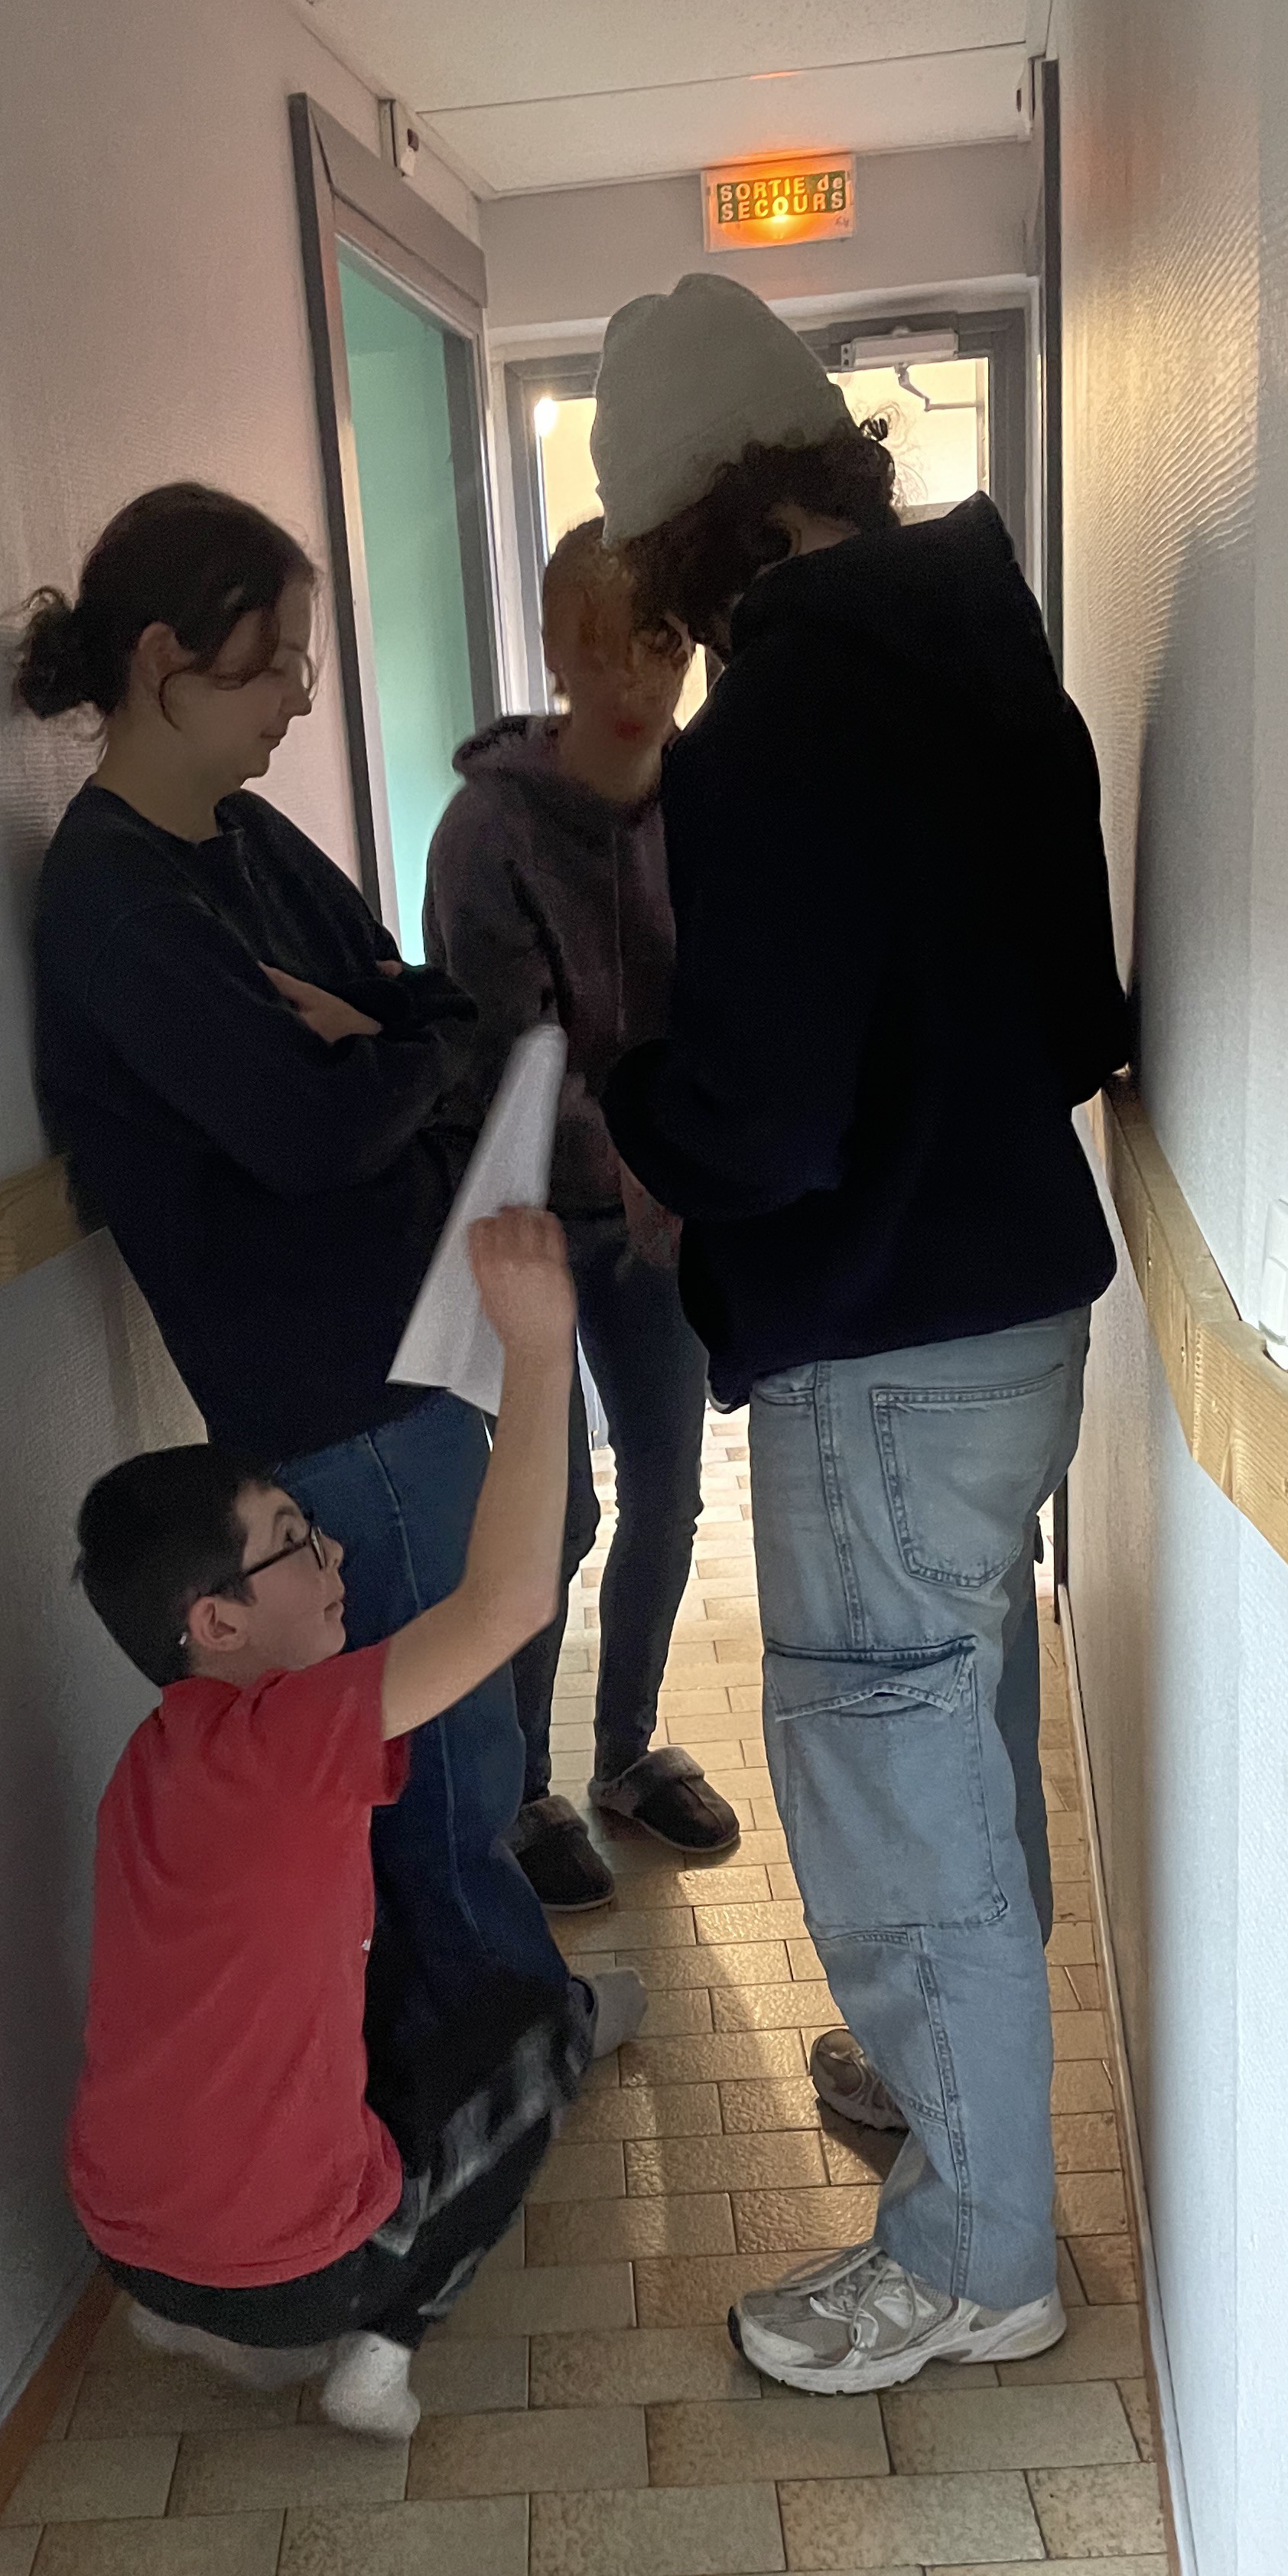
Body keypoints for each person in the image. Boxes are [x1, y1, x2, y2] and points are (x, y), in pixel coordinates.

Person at [590, 275, 1134, 2394]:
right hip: (1016, 1318)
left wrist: (639, 1095)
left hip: (881, 1353)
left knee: (897, 1813)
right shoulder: (992, 658)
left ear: (690, 540)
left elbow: (759, 1128)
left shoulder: (777, 732)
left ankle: (979, 2256)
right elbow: (1080, 1019)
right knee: (955, 1745)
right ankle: (943, 2095)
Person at [19, 484, 613, 2158]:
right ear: (163, 658)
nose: (299, 695)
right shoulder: (118, 906)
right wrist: (384, 1057)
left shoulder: (243, 840)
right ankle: (506, 2072)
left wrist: (379, 1041)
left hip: (421, 1335)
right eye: (275, 659)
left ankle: (504, 2029)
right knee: (435, 1764)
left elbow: (433, 1003)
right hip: (333, 1385)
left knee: (482, 1681)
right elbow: (306, 1130)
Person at [64, 1209, 636, 2441]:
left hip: (120, 2238)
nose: (335, 1556)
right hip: (298, 2278)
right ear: (217, 1623)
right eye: (294, 1545)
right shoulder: (291, 1736)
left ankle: (181, 2311)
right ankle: (380, 2349)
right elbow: (507, 1604)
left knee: (372, 2001)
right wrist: (540, 1353)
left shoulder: (151, 1763)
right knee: (545, 2036)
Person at [423, 520, 740, 1913]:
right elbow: (507, 1054)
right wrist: (651, 1151)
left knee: (669, 1491)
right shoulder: (487, 831)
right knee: (553, 1517)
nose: (635, 679)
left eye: (661, 645)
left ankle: (624, 1753)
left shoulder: (711, 802)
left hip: (664, 1227)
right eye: (601, 647)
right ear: (553, 649)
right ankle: (522, 1793)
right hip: (534, 1230)